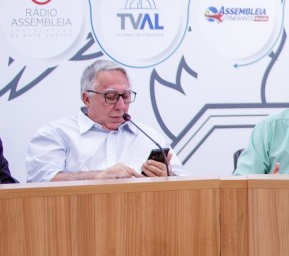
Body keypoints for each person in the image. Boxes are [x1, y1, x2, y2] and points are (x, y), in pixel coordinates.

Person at [25, 59, 188, 182]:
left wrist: (168, 177)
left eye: (126, 96)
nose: (121, 106)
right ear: (86, 98)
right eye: (110, 97)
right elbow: (41, 181)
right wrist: (97, 177)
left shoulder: (150, 137)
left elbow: (187, 183)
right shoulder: (57, 134)